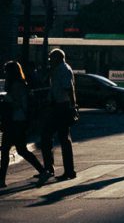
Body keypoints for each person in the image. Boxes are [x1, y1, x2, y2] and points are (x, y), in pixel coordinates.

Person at [0, 61, 49, 189]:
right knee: (19, 150)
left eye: (6, 71)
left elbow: (16, 104)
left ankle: (2, 180)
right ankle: (43, 171)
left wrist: (6, 99)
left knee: (9, 150)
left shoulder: (16, 85)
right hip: (18, 121)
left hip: (16, 121)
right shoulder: (20, 84)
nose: (5, 73)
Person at [39, 48, 77, 183]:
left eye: (51, 58)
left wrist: (73, 106)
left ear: (58, 58)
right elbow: (46, 82)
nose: (49, 61)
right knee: (55, 137)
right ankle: (55, 168)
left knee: (60, 138)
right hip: (57, 106)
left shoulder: (64, 70)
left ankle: (66, 170)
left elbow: (69, 88)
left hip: (61, 106)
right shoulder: (57, 70)